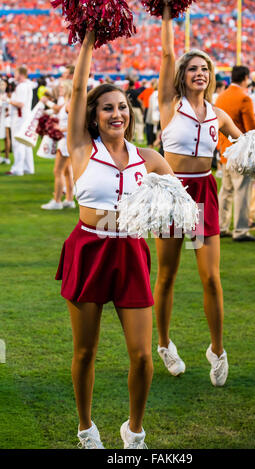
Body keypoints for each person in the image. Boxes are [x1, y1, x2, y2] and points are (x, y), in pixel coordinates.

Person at [55, 30, 175, 449]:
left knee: (142, 355)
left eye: (122, 107)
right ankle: (86, 428)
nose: (117, 114)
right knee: (85, 352)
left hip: (130, 251)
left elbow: (177, 198)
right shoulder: (81, 149)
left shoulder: (149, 158)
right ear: (93, 116)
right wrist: (88, 37)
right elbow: (76, 87)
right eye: (107, 108)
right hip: (89, 248)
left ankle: (134, 431)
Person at [154, 4, 242, 386]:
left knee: (211, 278)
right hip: (172, 191)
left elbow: (246, 142)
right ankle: (163, 343)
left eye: (205, 69)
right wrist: (168, 12)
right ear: (182, 75)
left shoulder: (218, 115)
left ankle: (217, 350)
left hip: (205, 190)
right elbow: (167, 53)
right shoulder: (168, 104)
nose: (200, 73)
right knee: (168, 274)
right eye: (193, 68)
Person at [216, 65, 255, 241]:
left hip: (224, 150)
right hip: (240, 151)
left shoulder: (222, 96)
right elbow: (251, 127)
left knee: (226, 191)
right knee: (242, 191)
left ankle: (221, 226)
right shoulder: (244, 98)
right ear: (245, 78)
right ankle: (241, 230)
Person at [41, 80, 75, 210]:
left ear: (68, 88)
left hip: (65, 141)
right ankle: (69, 199)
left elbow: (77, 124)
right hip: (66, 140)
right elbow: (57, 111)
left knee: (58, 171)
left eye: (62, 87)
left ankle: (57, 201)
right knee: (67, 171)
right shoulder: (67, 102)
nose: (60, 89)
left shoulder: (70, 103)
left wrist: (60, 129)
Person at [6, 66, 35, 176]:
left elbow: (20, 103)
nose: (14, 75)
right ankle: (28, 167)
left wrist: (7, 100)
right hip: (23, 116)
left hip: (20, 118)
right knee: (25, 142)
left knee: (18, 143)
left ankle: (18, 169)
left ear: (21, 74)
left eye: (16, 73)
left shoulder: (22, 86)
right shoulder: (26, 85)